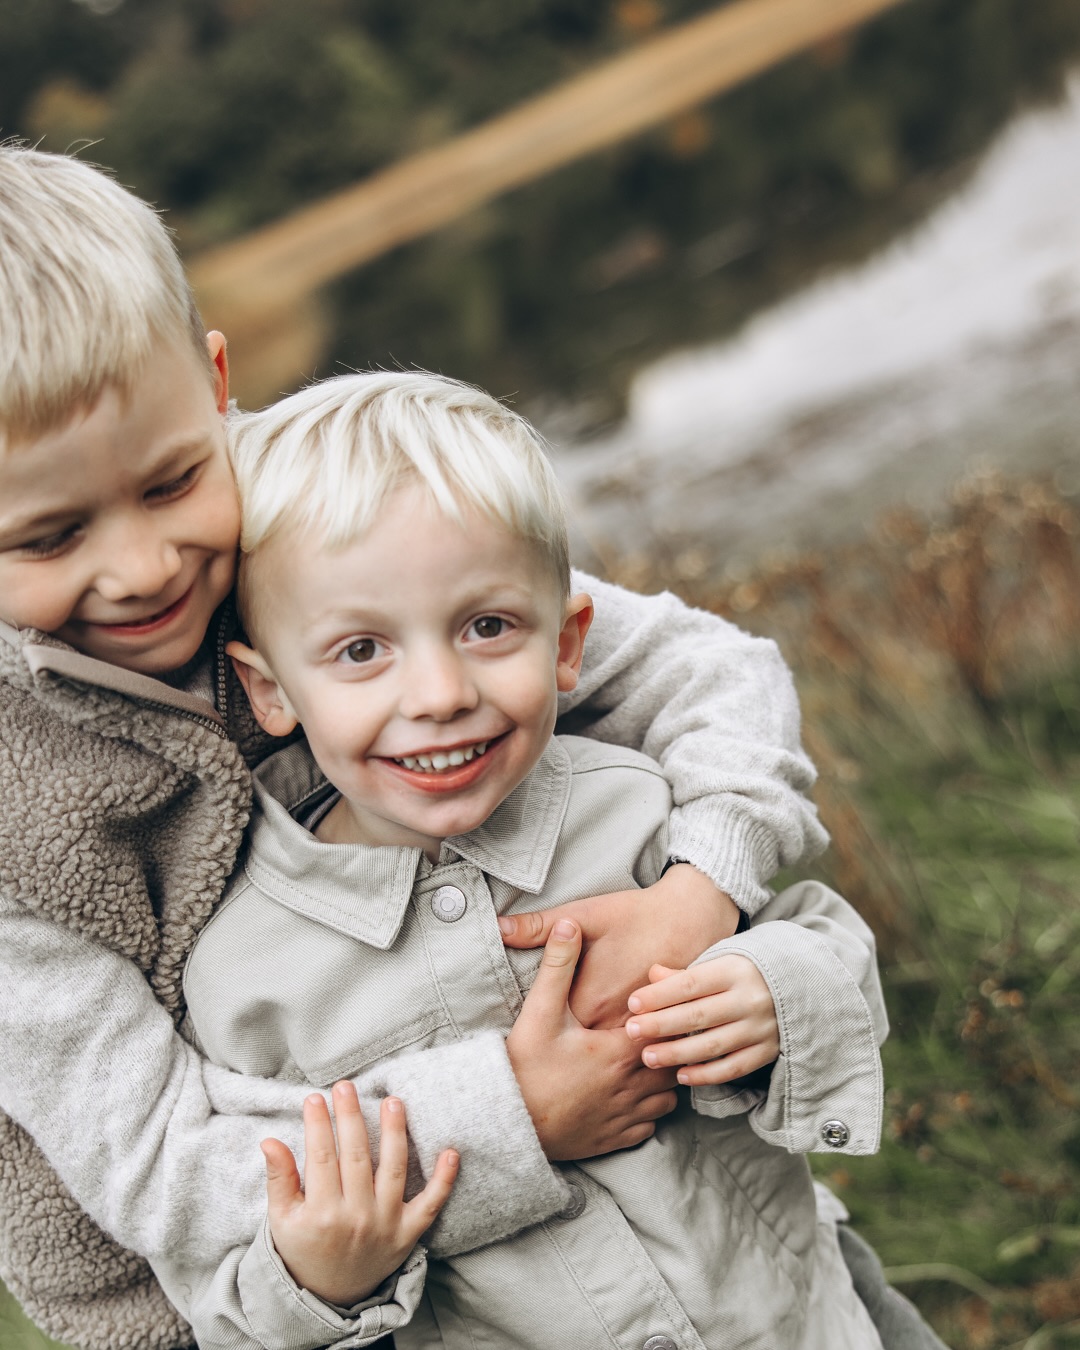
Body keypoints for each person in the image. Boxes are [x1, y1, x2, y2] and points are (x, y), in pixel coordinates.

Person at [0, 145, 842, 1350]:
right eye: (47, 537)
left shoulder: (320, 512)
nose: (143, 569)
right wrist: (513, 1115)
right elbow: (163, 1173)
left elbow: (705, 671)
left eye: (177, 478)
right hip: (243, 1299)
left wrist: (702, 889)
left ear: (214, 377)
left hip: (629, 1207)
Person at [153, 368, 893, 1350]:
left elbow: (826, 951)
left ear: (567, 643)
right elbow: (231, 1290)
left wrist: (772, 992)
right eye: (361, 650)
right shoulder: (245, 979)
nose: (440, 691)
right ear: (271, 689)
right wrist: (321, 1279)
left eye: (487, 626)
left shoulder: (635, 808)